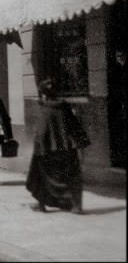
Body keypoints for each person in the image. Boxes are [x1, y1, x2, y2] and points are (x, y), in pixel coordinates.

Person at [26, 78, 90, 214]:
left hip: (47, 150)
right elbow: (75, 126)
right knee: (73, 176)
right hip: (66, 148)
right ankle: (76, 206)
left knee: (41, 175)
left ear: (43, 93)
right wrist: (82, 142)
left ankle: (41, 205)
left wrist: (38, 148)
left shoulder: (44, 108)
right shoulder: (64, 107)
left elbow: (41, 132)